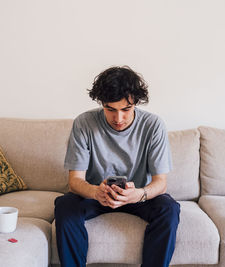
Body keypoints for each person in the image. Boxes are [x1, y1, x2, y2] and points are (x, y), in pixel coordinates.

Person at [54, 66, 180, 267]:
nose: (118, 119)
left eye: (125, 109)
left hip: (138, 196)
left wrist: (138, 194)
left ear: (135, 103)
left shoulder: (153, 125)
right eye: (110, 109)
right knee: (64, 205)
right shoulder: (84, 123)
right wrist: (96, 192)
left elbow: (160, 183)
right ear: (101, 103)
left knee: (169, 209)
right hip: (96, 195)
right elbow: (75, 181)